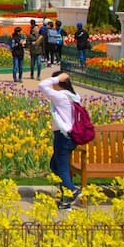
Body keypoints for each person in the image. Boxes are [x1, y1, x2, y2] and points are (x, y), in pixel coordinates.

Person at [38, 71, 82, 209]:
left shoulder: (60, 96)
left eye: (55, 82)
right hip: (71, 137)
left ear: (59, 83)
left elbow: (42, 85)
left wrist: (56, 78)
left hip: (63, 136)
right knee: (55, 165)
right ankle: (66, 200)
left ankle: (72, 190)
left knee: (61, 168)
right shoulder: (74, 96)